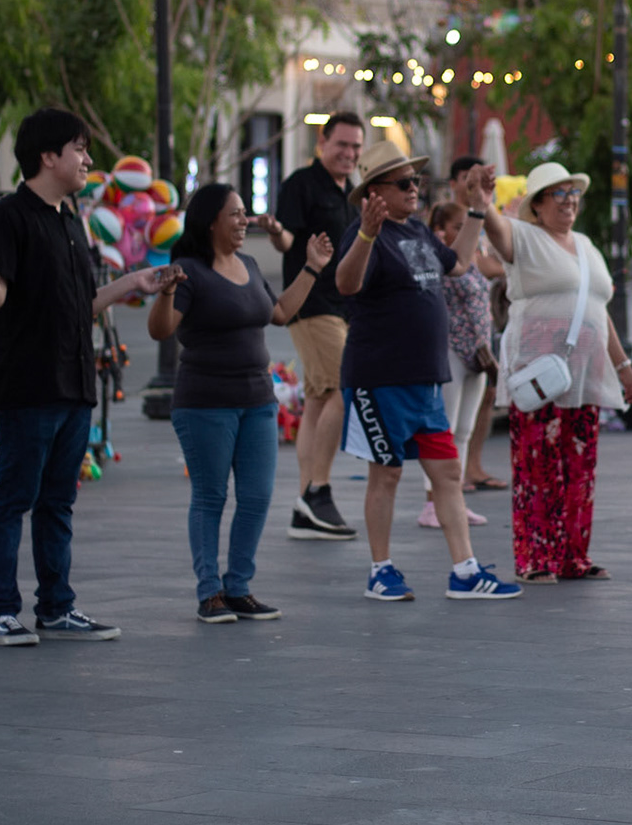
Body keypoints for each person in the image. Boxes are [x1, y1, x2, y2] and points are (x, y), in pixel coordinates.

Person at [0, 108, 166, 647]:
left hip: (74, 382)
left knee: (57, 502)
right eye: (79, 149)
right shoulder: (9, 217)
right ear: (48, 156)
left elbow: (78, 308)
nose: (89, 160)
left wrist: (132, 282)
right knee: (14, 498)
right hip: (29, 384)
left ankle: (56, 607)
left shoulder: (71, 220)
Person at [332, 141, 520, 602]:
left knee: (448, 474)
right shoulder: (363, 233)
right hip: (380, 378)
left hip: (426, 381)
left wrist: (478, 211)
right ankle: (381, 570)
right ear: (374, 192)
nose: (414, 188)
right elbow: (345, 284)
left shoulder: (416, 231)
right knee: (387, 473)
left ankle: (466, 571)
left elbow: (456, 264)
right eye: (403, 183)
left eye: (415, 180)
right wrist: (366, 236)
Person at [148, 183, 328, 623]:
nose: (244, 221)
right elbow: (160, 330)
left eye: (245, 213)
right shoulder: (188, 269)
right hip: (206, 403)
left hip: (257, 402)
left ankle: (239, 588)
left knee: (256, 496)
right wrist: (167, 290)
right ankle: (210, 592)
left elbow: (280, 314)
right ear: (211, 220)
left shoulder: (248, 264)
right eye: (235, 214)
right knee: (210, 497)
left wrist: (312, 268)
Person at [482, 162, 632, 583]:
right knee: (537, 467)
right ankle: (535, 557)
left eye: (573, 193)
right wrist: (482, 204)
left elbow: (597, 309)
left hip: (584, 376)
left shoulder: (587, 245)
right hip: (539, 373)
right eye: (559, 194)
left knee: (579, 468)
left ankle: (573, 555)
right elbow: (497, 232)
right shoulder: (526, 238)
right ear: (536, 205)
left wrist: (622, 365)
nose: (569, 201)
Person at [265, 111, 366, 542]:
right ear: (322, 142)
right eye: (342, 144)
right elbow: (287, 238)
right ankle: (317, 492)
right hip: (311, 304)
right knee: (348, 385)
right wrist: (275, 233)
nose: (349, 153)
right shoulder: (300, 185)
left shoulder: (353, 194)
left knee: (320, 397)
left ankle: (306, 500)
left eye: (356, 147)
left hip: (344, 306)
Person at [423, 200, 497, 529]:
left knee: (464, 430)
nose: (463, 232)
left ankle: (455, 499)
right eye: (457, 226)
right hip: (451, 349)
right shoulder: (439, 259)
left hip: (478, 354)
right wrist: (436, 247)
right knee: (445, 429)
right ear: (441, 229)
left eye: (466, 225)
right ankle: (431, 501)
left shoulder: (474, 258)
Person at [448, 156, 507, 493]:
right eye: (473, 176)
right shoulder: (451, 217)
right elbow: (469, 261)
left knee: (486, 397)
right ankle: (447, 480)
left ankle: (472, 465)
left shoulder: (484, 216)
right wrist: (499, 268)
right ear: (458, 180)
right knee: (451, 414)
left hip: (481, 325)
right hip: (454, 333)